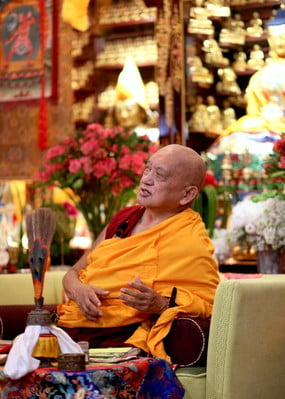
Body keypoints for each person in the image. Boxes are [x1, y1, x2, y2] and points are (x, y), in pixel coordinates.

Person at [57, 144, 220, 364]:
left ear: (187, 194)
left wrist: (160, 304)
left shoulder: (190, 240)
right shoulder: (124, 219)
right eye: (147, 169)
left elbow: (209, 305)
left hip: (126, 339)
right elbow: (73, 273)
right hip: (75, 328)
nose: (147, 179)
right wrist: (78, 290)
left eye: (160, 175)